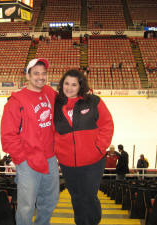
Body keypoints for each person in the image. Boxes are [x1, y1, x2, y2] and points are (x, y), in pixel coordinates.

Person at [1, 58, 59, 225]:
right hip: (28, 161)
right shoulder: (16, 101)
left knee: (50, 201)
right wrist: (22, 159)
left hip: (49, 159)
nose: (40, 77)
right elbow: (7, 136)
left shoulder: (49, 92)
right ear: (27, 75)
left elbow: (66, 105)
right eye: (36, 73)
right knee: (26, 207)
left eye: (43, 73)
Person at [54, 69, 114, 225]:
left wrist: (99, 149)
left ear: (81, 86)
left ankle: (93, 222)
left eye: (74, 84)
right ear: (62, 84)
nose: (69, 87)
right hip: (68, 163)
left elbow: (107, 125)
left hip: (93, 161)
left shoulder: (94, 101)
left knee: (89, 195)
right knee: (76, 196)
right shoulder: (56, 104)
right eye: (66, 83)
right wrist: (58, 152)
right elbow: (50, 131)